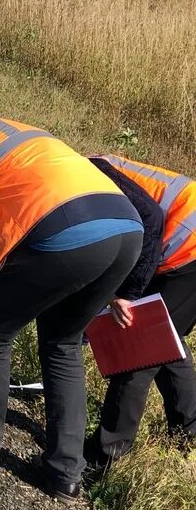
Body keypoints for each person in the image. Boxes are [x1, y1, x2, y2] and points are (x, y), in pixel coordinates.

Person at [0, 103, 143, 504]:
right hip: (125, 230)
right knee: (63, 343)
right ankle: (65, 473)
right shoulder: (17, 140)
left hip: (65, 224)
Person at [84, 154, 196, 467]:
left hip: (187, 247)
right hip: (181, 242)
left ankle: (102, 456)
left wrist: (122, 293)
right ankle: (188, 433)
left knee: (137, 349)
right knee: (165, 336)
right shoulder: (92, 167)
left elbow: (141, 225)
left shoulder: (88, 177)